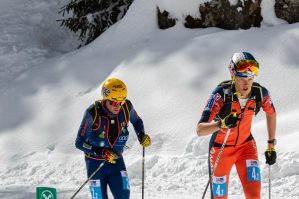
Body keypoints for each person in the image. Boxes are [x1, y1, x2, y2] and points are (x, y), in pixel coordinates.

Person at [196, 52, 277, 199]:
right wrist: (221, 124)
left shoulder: (260, 93)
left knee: (254, 195)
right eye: (241, 78)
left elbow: (271, 113)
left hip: (246, 147)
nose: (247, 84)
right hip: (221, 150)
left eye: (250, 78)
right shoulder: (221, 95)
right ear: (234, 77)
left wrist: (271, 144)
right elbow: (200, 130)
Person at [75, 78, 151, 199]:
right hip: (95, 164)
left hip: (116, 161)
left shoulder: (126, 107)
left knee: (123, 196)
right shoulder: (93, 113)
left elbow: (136, 121)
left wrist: (141, 135)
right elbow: (79, 142)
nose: (118, 106)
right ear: (105, 99)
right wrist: (101, 152)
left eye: (121, 102)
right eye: (114, 103)